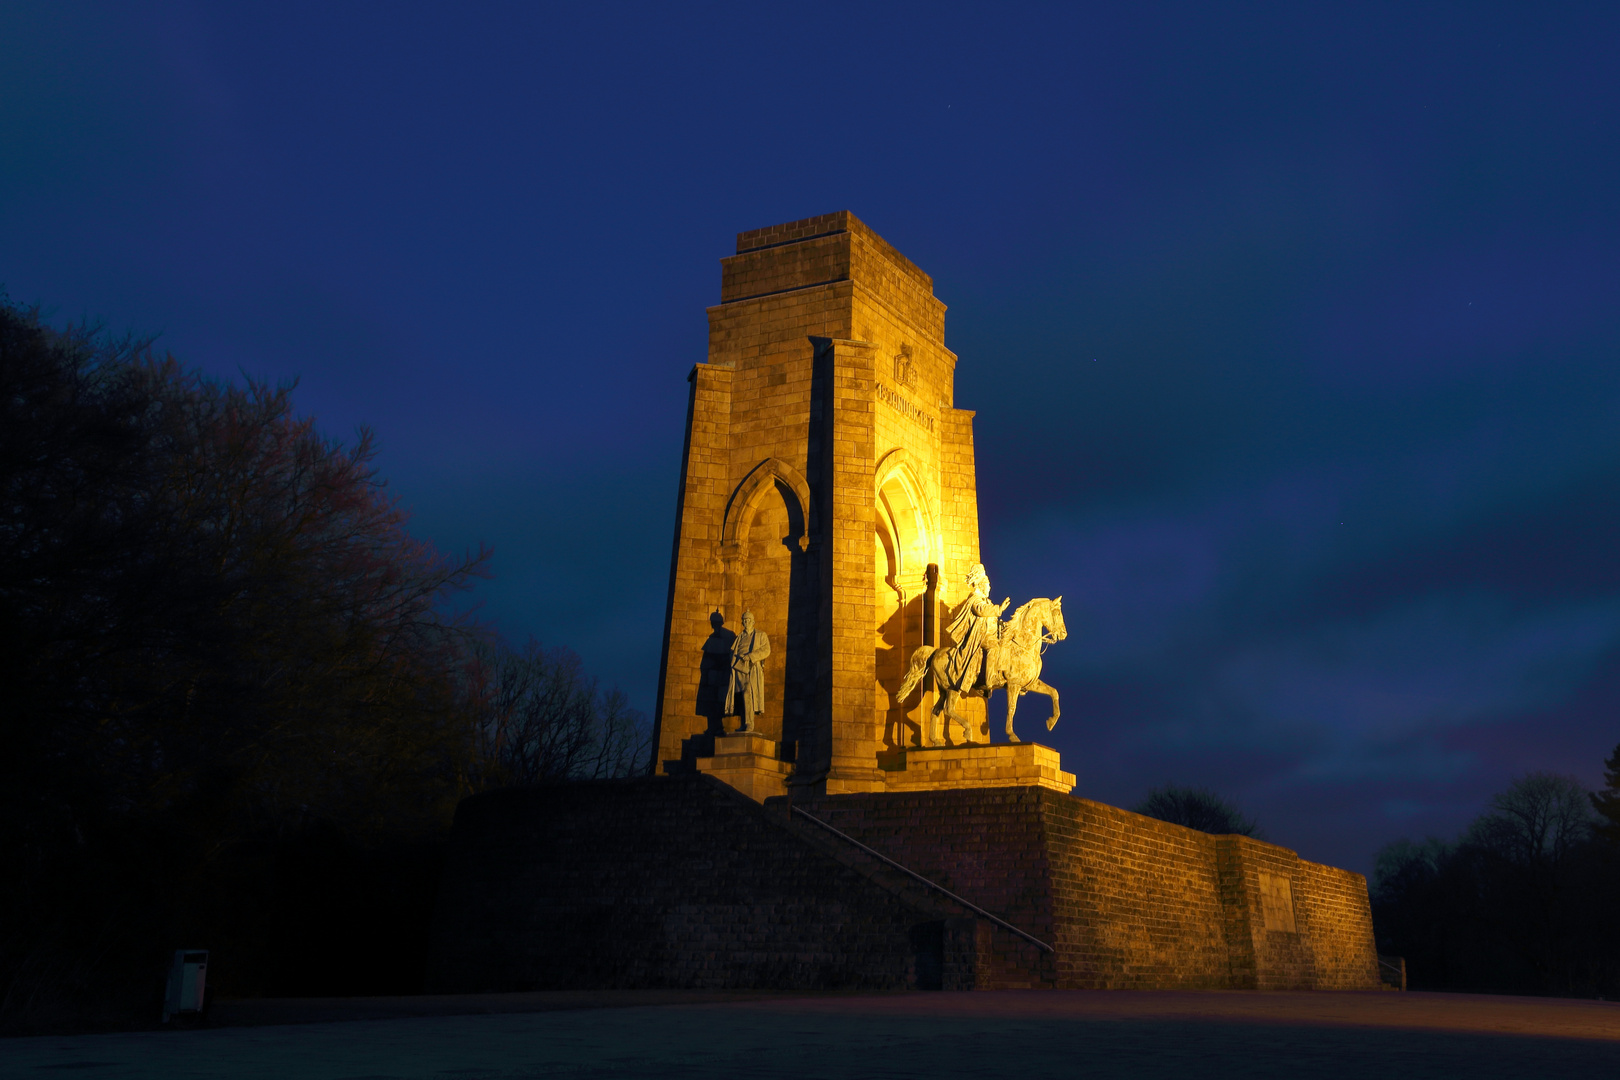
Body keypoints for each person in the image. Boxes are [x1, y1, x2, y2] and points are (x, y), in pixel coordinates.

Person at [941, 563, 1007, 694]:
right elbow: (981, 610)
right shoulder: (975, 599)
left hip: (990, 634)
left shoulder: (986, 600)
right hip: (979, 636)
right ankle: (989, 679)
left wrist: (1003, 626)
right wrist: (999, 609)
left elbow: (991, 619)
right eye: (987, 584)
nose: (990, 587)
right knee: (993, 646)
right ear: (981, 585)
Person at [728, 609, 771, 732]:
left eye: (749, 620)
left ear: (753, 622)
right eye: (744, 620)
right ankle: (744, 723)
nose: (746, 622)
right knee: (741, 695)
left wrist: (751, 656)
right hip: (739, 668)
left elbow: (766, 650)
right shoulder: (739, 637)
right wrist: (734, 660)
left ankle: (749, 723)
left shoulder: (761, 635)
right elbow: (732, 651)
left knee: (748, 692)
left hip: (752, 667)